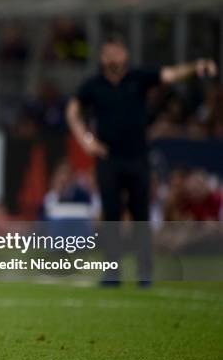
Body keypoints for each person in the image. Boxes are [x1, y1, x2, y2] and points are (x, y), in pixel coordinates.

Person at [66, 36, 217, 285]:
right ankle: (112, 272)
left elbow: (170, 75)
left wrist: (196, 67)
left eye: (117, 51)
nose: (112, 56)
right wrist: (86, 140)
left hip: (137, 157)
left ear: (125, 54)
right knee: (111, 214)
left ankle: (144, 271)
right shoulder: (94, 85)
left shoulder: (138, 78)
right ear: (102, 56)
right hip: (108, 158)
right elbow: (72, 111)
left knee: (140, 214)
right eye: (108, 52)